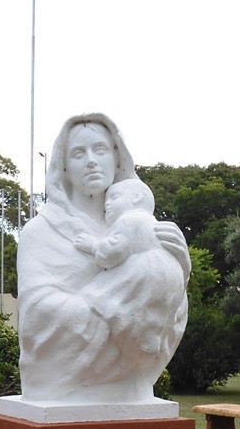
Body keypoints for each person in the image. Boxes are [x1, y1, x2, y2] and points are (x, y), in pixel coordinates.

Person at [16, 113, 190, 403]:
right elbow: (36, 315)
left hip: (132, 388)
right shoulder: (40, 232)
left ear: (116, 157)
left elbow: (167, 304)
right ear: (64, 167)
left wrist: (180, 270)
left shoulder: (146, 229)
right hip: (62, 389)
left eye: (100, 150)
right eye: (78, 153)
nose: (91, 161)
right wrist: (117, 313)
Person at [74, 177, 184, 357]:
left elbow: (112, 253)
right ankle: (150, 338)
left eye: (114, 197)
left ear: (136, 198)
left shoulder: (129, 219)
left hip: (147, 271)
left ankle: (129, 336)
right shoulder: (151, 222)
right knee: (155, 311)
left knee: (110, 299)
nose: (107, 204)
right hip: (171, 277)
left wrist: (93, 245)